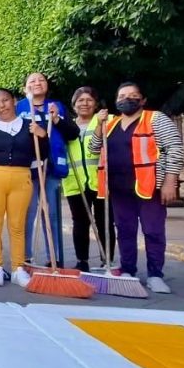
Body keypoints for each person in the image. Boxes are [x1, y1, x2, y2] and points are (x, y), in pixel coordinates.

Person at [91, 82, 184, 294]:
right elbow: (94, 148)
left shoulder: (156, 119)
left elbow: (174, 148)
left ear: (142, 100)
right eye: (122, 96)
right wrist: (99, 124)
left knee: (153, 231)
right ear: (116, 101)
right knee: (124, 231)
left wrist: (171, 181)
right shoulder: (111, 124)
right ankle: (128, 270)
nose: (127, 99)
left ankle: (155, 274)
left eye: (133, 95)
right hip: (118, 187)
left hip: (149, 186)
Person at [0, 89, 49, 287]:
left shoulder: (29, 126)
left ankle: (18, 268)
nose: (2, 105)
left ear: (13, 101)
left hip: (21, 177)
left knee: (17, 225)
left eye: (5, 100)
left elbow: (43, 154)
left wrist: (42, 136)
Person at [16, 72, 79, 267]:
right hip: (28, 168)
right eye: (32, 81)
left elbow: (73, 134)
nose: (37, 83)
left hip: (51, 167)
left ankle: (55, 257)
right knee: (28, 213)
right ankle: (24, 258)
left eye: (41, 80)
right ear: (25, 87)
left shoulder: (57, 106)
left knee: (51, 214)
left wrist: (58, 120)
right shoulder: (19, 107)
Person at [64, 86, 116, 271]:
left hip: (101, 179)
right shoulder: (67, 126)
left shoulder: (105, 120)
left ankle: (107, 260)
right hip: (74, 180)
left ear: (95, 104)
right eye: (80, 100)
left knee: (104, 221)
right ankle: (82, 261)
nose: (84, 103)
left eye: (89, 100)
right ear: (74, 105)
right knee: (80, 222)